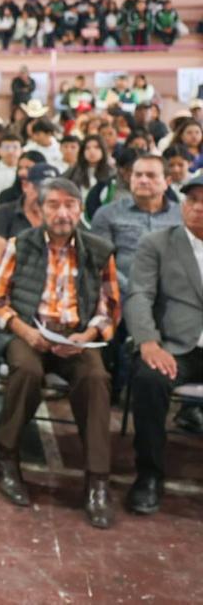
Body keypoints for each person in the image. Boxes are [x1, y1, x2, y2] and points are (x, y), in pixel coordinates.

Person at [0, 178, 119, 528]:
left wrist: (86, 335)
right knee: (27, 372)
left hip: (76, 336)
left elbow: (109, 306)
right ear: (41, 209)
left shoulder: (99, 250)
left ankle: (97, 481)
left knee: (96, 379)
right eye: (54, 205)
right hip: (29, 331)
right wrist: (25, 331)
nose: (62, 213)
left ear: (80, 209)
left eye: (70, 205)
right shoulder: (20, 245)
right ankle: (7, 459)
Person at [123, 174, 203, 514]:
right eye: (192, 200)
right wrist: (149, 342)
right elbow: (139, 295)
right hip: (175, 346)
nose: (198, 208)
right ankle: (149, 475)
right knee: (150, 378)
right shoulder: (157, 243)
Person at [90, 154, 180, 289]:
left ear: (167, 181)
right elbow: (100, 261)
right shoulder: (107, 214)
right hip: (122, 291)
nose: (143, 180)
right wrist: (133, 291)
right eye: (137, 175)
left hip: (176, 292)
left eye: (151, 175)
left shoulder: (182, 215)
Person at [0, 161, 57, 271]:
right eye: (39, 189)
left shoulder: (62, 218)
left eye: (52, 191)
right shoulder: (5, 212)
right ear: (25, 186)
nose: (44, 196)